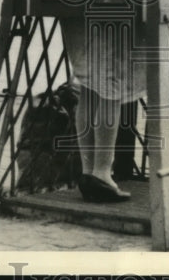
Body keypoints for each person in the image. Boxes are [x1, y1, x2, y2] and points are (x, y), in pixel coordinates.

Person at [62, 14, 145, 203]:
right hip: (111, 3)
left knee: (89, 86)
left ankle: (88, 173)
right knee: (112, 83)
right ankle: (102, 173)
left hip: (73, 2)